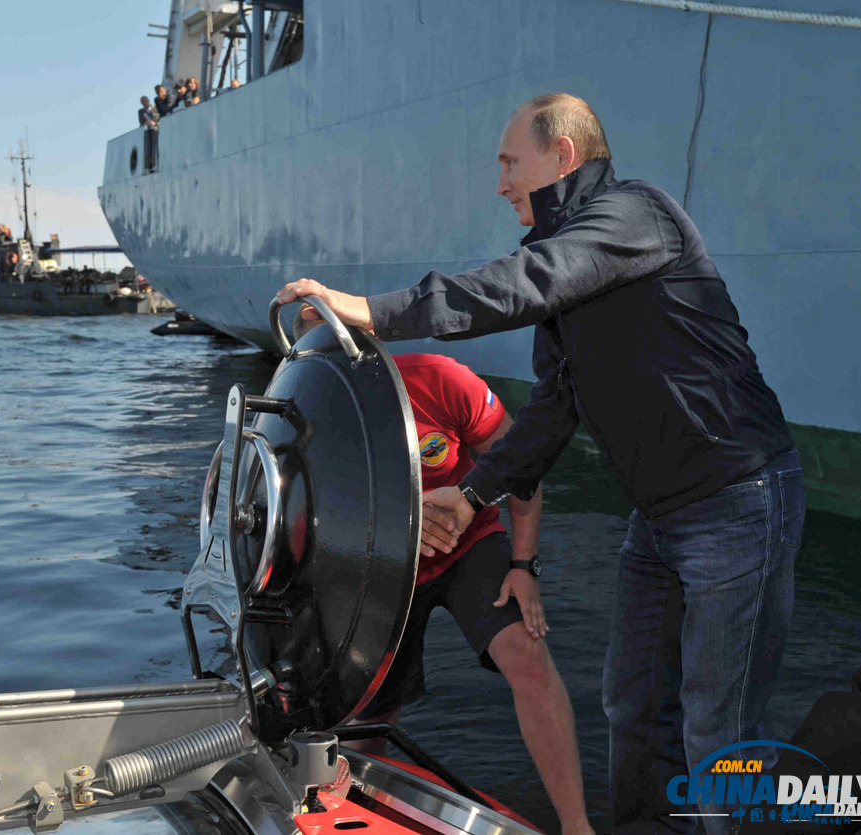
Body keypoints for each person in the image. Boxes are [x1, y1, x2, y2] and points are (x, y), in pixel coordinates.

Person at [277, 93, 804, 835]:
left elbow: (517, 285)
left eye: (508, 162)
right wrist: (473, 492)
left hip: (737, 500)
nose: (500, 184)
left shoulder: (632, 215)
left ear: (563, 154)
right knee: (633, 706)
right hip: (659, 520)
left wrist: (367, 307)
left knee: (719, 730)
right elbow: (555, 407)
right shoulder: (572, 276)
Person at [294, 312, 595, 834]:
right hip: (380, 568)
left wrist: (523, 565)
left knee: (527, 656)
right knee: (366, 711)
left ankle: (576, 824)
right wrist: (405, 517)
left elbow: (521, 468)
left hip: (469, 544)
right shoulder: (307, 417)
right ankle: (355, 810)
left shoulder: (440, 378)